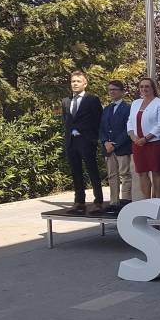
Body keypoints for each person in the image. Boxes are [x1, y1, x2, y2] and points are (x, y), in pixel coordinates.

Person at [62, 71, 104, 215]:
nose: (75, 84)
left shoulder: (92, 99)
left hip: (86, 140)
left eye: (78, 81)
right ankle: (79, 201)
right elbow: (66, 121)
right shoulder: (66, 101)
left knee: (92, 170)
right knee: (76, 172)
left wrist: (94, 138)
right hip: (71, 141)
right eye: (73, 81)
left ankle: (98, 201)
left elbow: (99, 120)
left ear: (85, 83)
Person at [127, 78, 160, 199]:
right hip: (138, 143)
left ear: (152, 88)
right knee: (142, 172)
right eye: (141, 87)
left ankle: (157, 200)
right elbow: (129, 121)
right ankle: (146, 200)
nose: (144, 89)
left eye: (147, 86)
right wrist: (133, 137)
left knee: (156, 171)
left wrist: (146, 138)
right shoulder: (135, 103)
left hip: (154, 142)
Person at [99, 80, 132, 214]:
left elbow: (128, 129)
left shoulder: (128, 108)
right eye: (110, 89)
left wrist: (116, 144)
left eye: (115, 89)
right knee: (112, 175)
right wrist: (105, 142)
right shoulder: (106, 109)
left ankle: (125, 202)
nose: (112, 92)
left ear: (122, 92)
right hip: (108, 148)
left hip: (122, 148)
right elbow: (101, 128)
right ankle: (114, 202)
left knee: (125, 175)